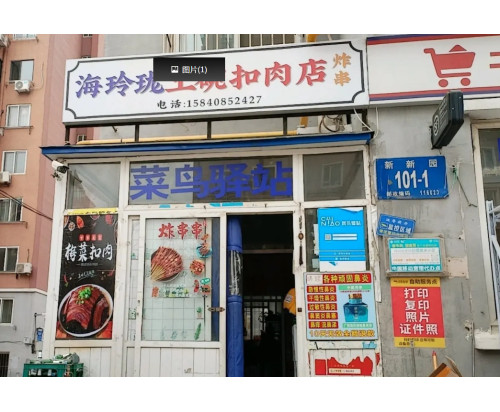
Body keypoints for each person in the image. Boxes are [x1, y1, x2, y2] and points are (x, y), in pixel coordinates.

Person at [283, 287, 297, 376]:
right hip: (295, 320)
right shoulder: (293, 291)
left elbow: (286, 306)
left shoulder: (293, 291)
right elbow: (286, 306)